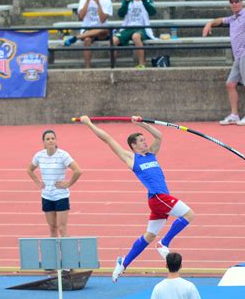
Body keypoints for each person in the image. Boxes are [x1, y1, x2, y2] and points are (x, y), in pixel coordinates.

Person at [79, 115, 195, 282]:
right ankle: (164, 243)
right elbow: (107, 139)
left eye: (144, 140)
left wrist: (142, 124)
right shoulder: (131, 158)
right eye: (141, 141)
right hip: (158, 197)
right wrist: (88, 123)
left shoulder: (151, 154)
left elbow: (159, 136)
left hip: (158, 200)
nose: (145, 142)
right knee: (189, 215)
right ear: (133, 145)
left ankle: (123, 264)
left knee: (149, 236)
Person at [203, 0, 245, 126]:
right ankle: (234, 115)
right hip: (239, 56)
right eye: (231, 1)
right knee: (230, 84)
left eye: (236, 0)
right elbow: (220, 20)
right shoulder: (233, 18)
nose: (234, 3)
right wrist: (209, 23)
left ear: (241, 2)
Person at [27, 130, 82, 238]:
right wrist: (38, 182)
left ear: (56, 141)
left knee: (62, 228)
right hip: (47, 196)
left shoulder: (63, 155)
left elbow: (78, 171)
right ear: (44, 142)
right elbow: (29, 170)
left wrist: (68, 184)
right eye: (48, 139)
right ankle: (54, 255)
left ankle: (67, 254)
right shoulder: (39, 156)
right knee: (52, 228)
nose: (51, 141)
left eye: (53, 138)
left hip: (61, 196)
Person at [64, 0, 114, 68]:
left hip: (102, 30)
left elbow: (102, 19)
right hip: (87, 29)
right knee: (87, 40)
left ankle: (76, 37)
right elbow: (80, 17)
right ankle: (88, 68)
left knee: (102, 30)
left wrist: (98, 3)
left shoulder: (106, 0)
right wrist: (87, 1)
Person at [113, 0, 157, 69]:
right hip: (127, 28)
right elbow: (120, 14)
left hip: (142, 28)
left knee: (136, 37)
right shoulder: (127, 0)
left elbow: (153, 12)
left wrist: (144, 1)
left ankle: (141, 64)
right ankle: (113, 66)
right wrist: (126, 2)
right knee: (113, 40)